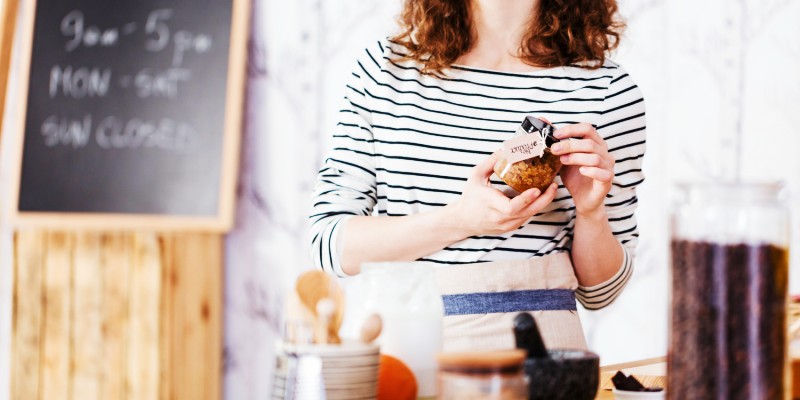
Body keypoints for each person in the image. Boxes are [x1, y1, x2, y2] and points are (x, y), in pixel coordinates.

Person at [309, 0, 645, 351]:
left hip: (544, 360)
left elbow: (602, 292)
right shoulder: (386, 71)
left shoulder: (609, 92)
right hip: (412, 355)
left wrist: (591, 213)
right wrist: (461, 220)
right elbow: (329, 245)